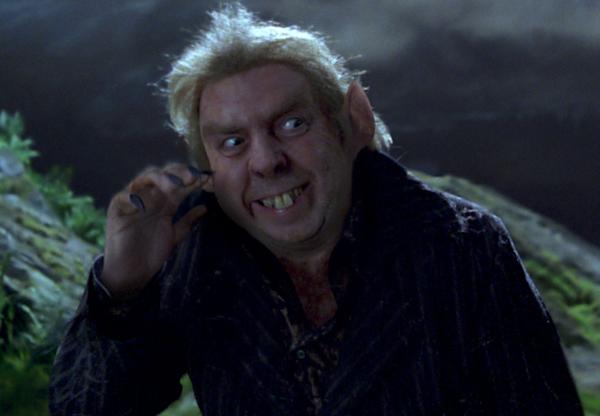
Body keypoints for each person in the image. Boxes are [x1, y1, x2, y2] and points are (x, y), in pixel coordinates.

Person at [49, 5, 583, 415]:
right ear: (208, 166)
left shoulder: (464, 247)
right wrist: (122, 290)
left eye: (291, 124)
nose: (266, 161)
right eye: (233, 142)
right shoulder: (199, 258)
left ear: (351, 122)